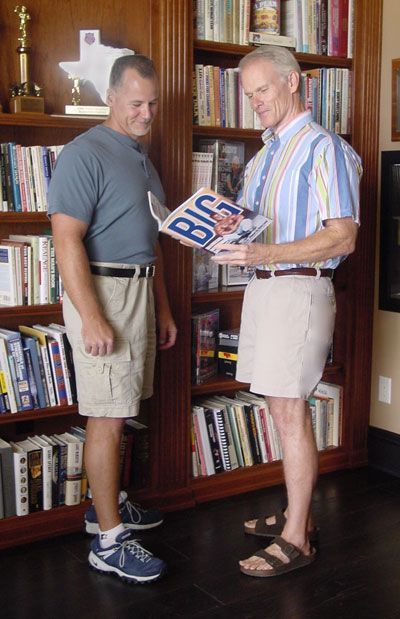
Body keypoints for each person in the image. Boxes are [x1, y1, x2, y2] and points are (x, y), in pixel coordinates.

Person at [212, 45, 362, 577]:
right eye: (248, 93)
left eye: (263, 89)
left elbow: (342, 235)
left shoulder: (323, 149)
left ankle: (298, 536)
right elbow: (261, 226)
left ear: (294, 82)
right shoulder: (265, 154)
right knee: (278, 409)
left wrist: (265, 252)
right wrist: (230, 228)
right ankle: (296, 514)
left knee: (290, 412)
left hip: (298, 290)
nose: (254, 101)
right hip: (264, 287)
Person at [48, 54, 177, 585]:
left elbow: (154, 243)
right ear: (110, 97)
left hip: (140, 292)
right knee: (106, 417)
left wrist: (163, 309)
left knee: (122, 410)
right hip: (103, 292)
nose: (145, 113)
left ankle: (106, 507)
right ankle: (107, 540)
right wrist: (92, 316)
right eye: (135, 104)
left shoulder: (142, 157)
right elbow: (65, 239)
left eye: (151, 104)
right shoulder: (85, 154)